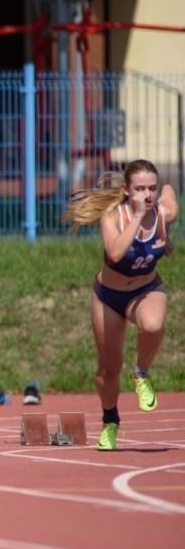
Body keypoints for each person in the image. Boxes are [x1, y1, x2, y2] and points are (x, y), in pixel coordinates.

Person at [63, 160, 177, 451]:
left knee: (153, 325)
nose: (147, 195)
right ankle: (110, 420)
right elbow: (114, 253)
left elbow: (169, 192)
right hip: (109, 297)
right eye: (139, 189)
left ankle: (141, 374)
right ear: (126, 190)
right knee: (107, 371)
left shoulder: (164, 213)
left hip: (146, 289)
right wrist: (138, 216)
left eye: (151, 188)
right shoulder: (114, 216)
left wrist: (166, 235)